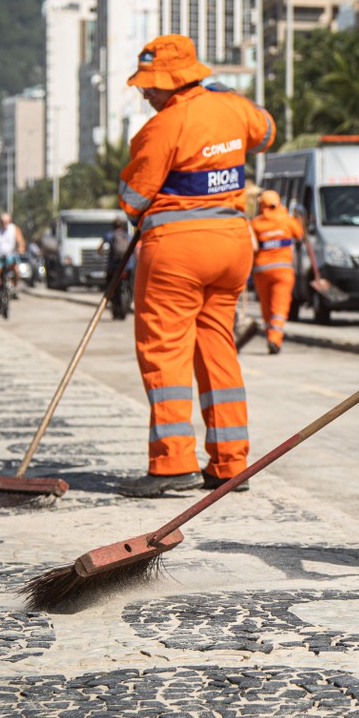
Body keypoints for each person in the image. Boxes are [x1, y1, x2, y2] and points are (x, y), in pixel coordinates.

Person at [115, 33, 274, 497]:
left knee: (165, 351)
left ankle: (172, 463)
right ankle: (229, 464)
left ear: (173, 81)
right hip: (231, 245)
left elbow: (133, 200)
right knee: (217, 348)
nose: (145, 92)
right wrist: (230, 99)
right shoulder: (233, 108)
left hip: (176, 250)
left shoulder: (161, 127)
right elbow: (266, 132)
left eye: (151, 84)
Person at [249, 189, 304, 355]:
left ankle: (270, 336)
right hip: (283, 271)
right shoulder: (287, 220)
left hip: (262, 271)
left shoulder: (256, 223)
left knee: (266, 308)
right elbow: (300, 234)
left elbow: (252, 247)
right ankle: (274, 338)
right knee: (279, 307)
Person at [0, 213, 26, 308]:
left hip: (10, 256)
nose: (5, 224)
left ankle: (14, 289)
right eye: (3, 222)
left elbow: (20, 241)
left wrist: (21, 248)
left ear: (10, 221)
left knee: (16, 270)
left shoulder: (14, 229)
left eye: (7, 222)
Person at [100, 216, 136, 320]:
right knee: (130, 284)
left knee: (109, 285)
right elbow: (135, 250)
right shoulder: (128, 236)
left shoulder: (109, 235)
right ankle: (130, 298)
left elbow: (100, 249)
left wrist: (101, 252)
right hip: (128, 266)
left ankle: (109, 297)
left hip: (114, 267)